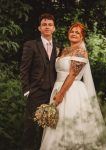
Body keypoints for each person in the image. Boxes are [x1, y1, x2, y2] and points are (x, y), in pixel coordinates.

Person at [39, 22, 106, 150]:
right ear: (68, 33)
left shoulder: (81, 52)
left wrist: (60, 94)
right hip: (57, 87)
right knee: (56, 122)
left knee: (70, 121)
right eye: (72, 31)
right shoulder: (64, 50)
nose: (74, 34)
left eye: (78, 32)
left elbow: (72, 75)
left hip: (72, 91)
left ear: (82, 37)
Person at [20, 13, 61, 150]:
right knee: (30, 128)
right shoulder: (31, 45)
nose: (47, 27)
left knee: (47, 130)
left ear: (54, 28)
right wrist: (27, 91)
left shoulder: (59, 46)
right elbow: (24, 69)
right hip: (36, 92)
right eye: (44, 24)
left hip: (52, 93)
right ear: (39, 28)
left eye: (50, 25)